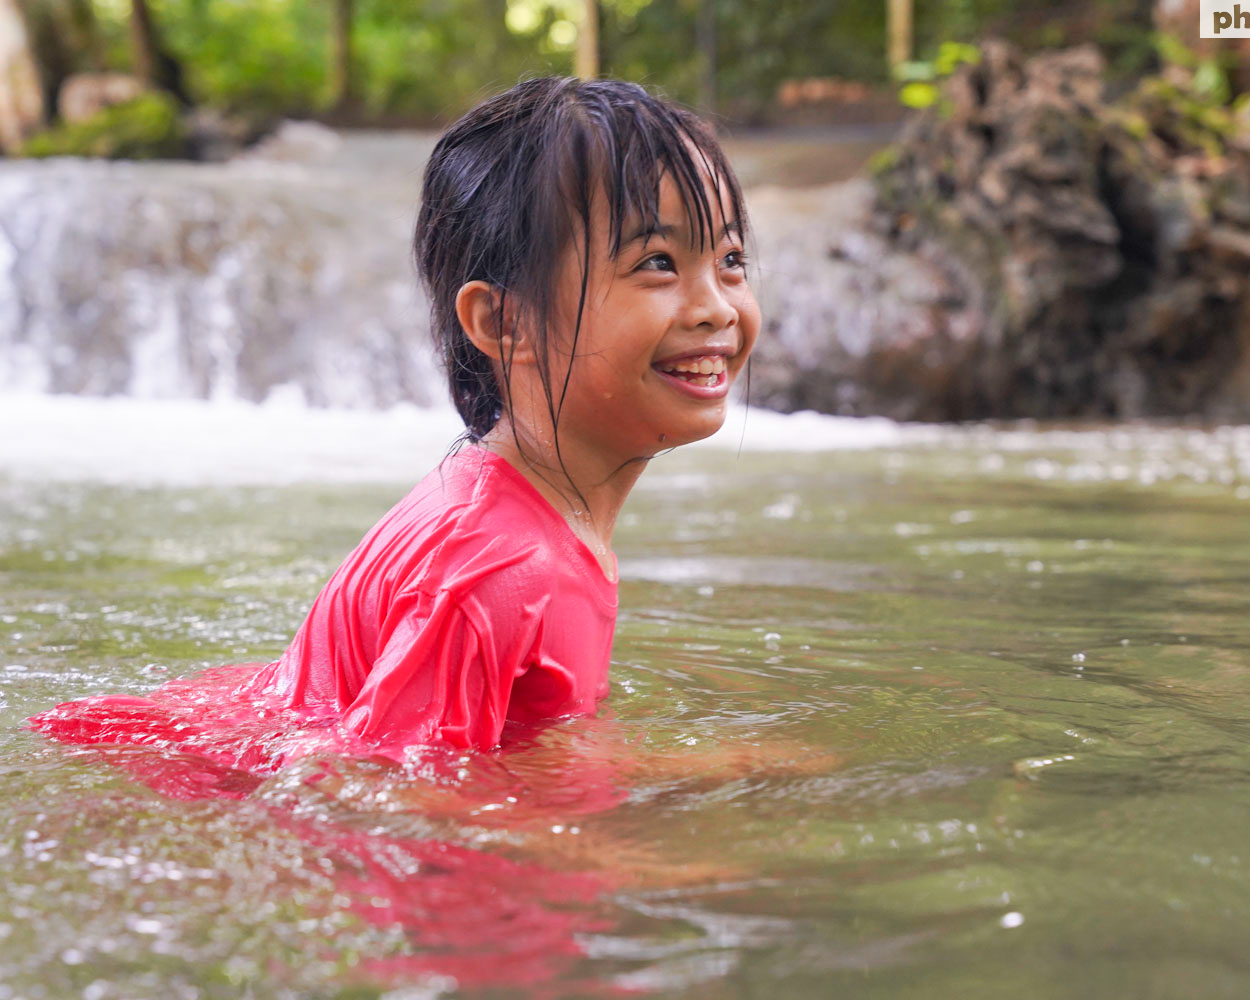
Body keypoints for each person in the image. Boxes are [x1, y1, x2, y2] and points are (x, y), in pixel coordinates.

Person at [28, 75, 761, 775]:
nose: (718, 308)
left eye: (730, 259)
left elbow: (490, 752)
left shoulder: (524, 524)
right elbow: (387, 797)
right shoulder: (496, 567)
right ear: (505, 322)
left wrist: (673, 767)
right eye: (659, 263)